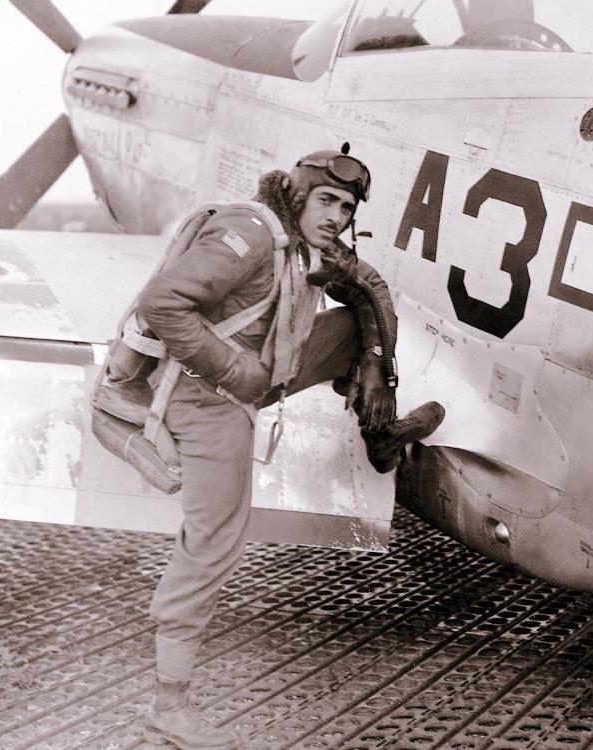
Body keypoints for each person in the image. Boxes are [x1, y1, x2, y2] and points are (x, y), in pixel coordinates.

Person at [136, 147, 444, 750]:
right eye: (326, 201)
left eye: (347, 207)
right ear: (298, 196)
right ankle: (168, 705)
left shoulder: (303, 243)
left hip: (259, 369)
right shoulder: (250, 234)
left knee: (366, 314)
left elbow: (355, 295)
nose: (336, 216)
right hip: (206, 396)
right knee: (215, 543)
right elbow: (161, 303)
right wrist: (238, 376)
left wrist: (377, 354)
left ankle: (378, 432)